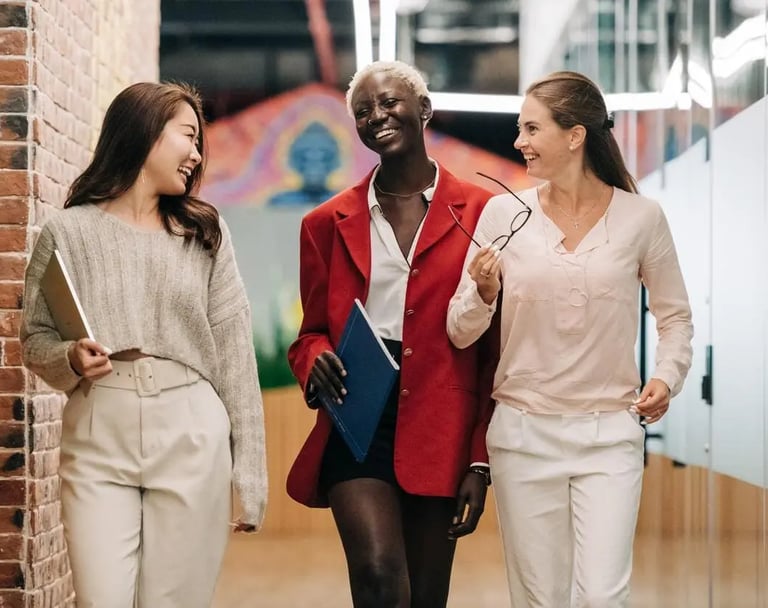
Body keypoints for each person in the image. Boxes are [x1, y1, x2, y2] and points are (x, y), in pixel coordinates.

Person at [447, 71, 693, 607]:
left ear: (575, 135)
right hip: (522, 437)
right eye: (520, 129)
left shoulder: (641, 218)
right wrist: (482, 293)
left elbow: (675, 318)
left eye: (531, 129)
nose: (519, 142)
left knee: (604, 597)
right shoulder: (503, 214)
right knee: (540, 599)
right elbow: (460, 331)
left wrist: (666, 377)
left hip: (610, 438)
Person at [20, 82, 267, 608]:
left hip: (191, 430)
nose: (197, 154)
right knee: (102, 599)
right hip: (97, 431)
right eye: (188, 136)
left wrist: (249, 470)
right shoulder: (67, 232)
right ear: (145, 133)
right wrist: (68, 357)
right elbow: (34, 338)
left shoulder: (204, 234)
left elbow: (235, 354)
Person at [286, 60, 499, 608]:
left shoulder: (483, 213)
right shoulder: (324, 224)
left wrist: (480, 459)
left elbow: (495, 351)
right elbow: (309, 333)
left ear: (423, 109)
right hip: (356, 415)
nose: (376, 116)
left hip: (442, 420)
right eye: (362, 111)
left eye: (389, 103)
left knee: (426, 596)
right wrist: (315, 359)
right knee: (379, 577)